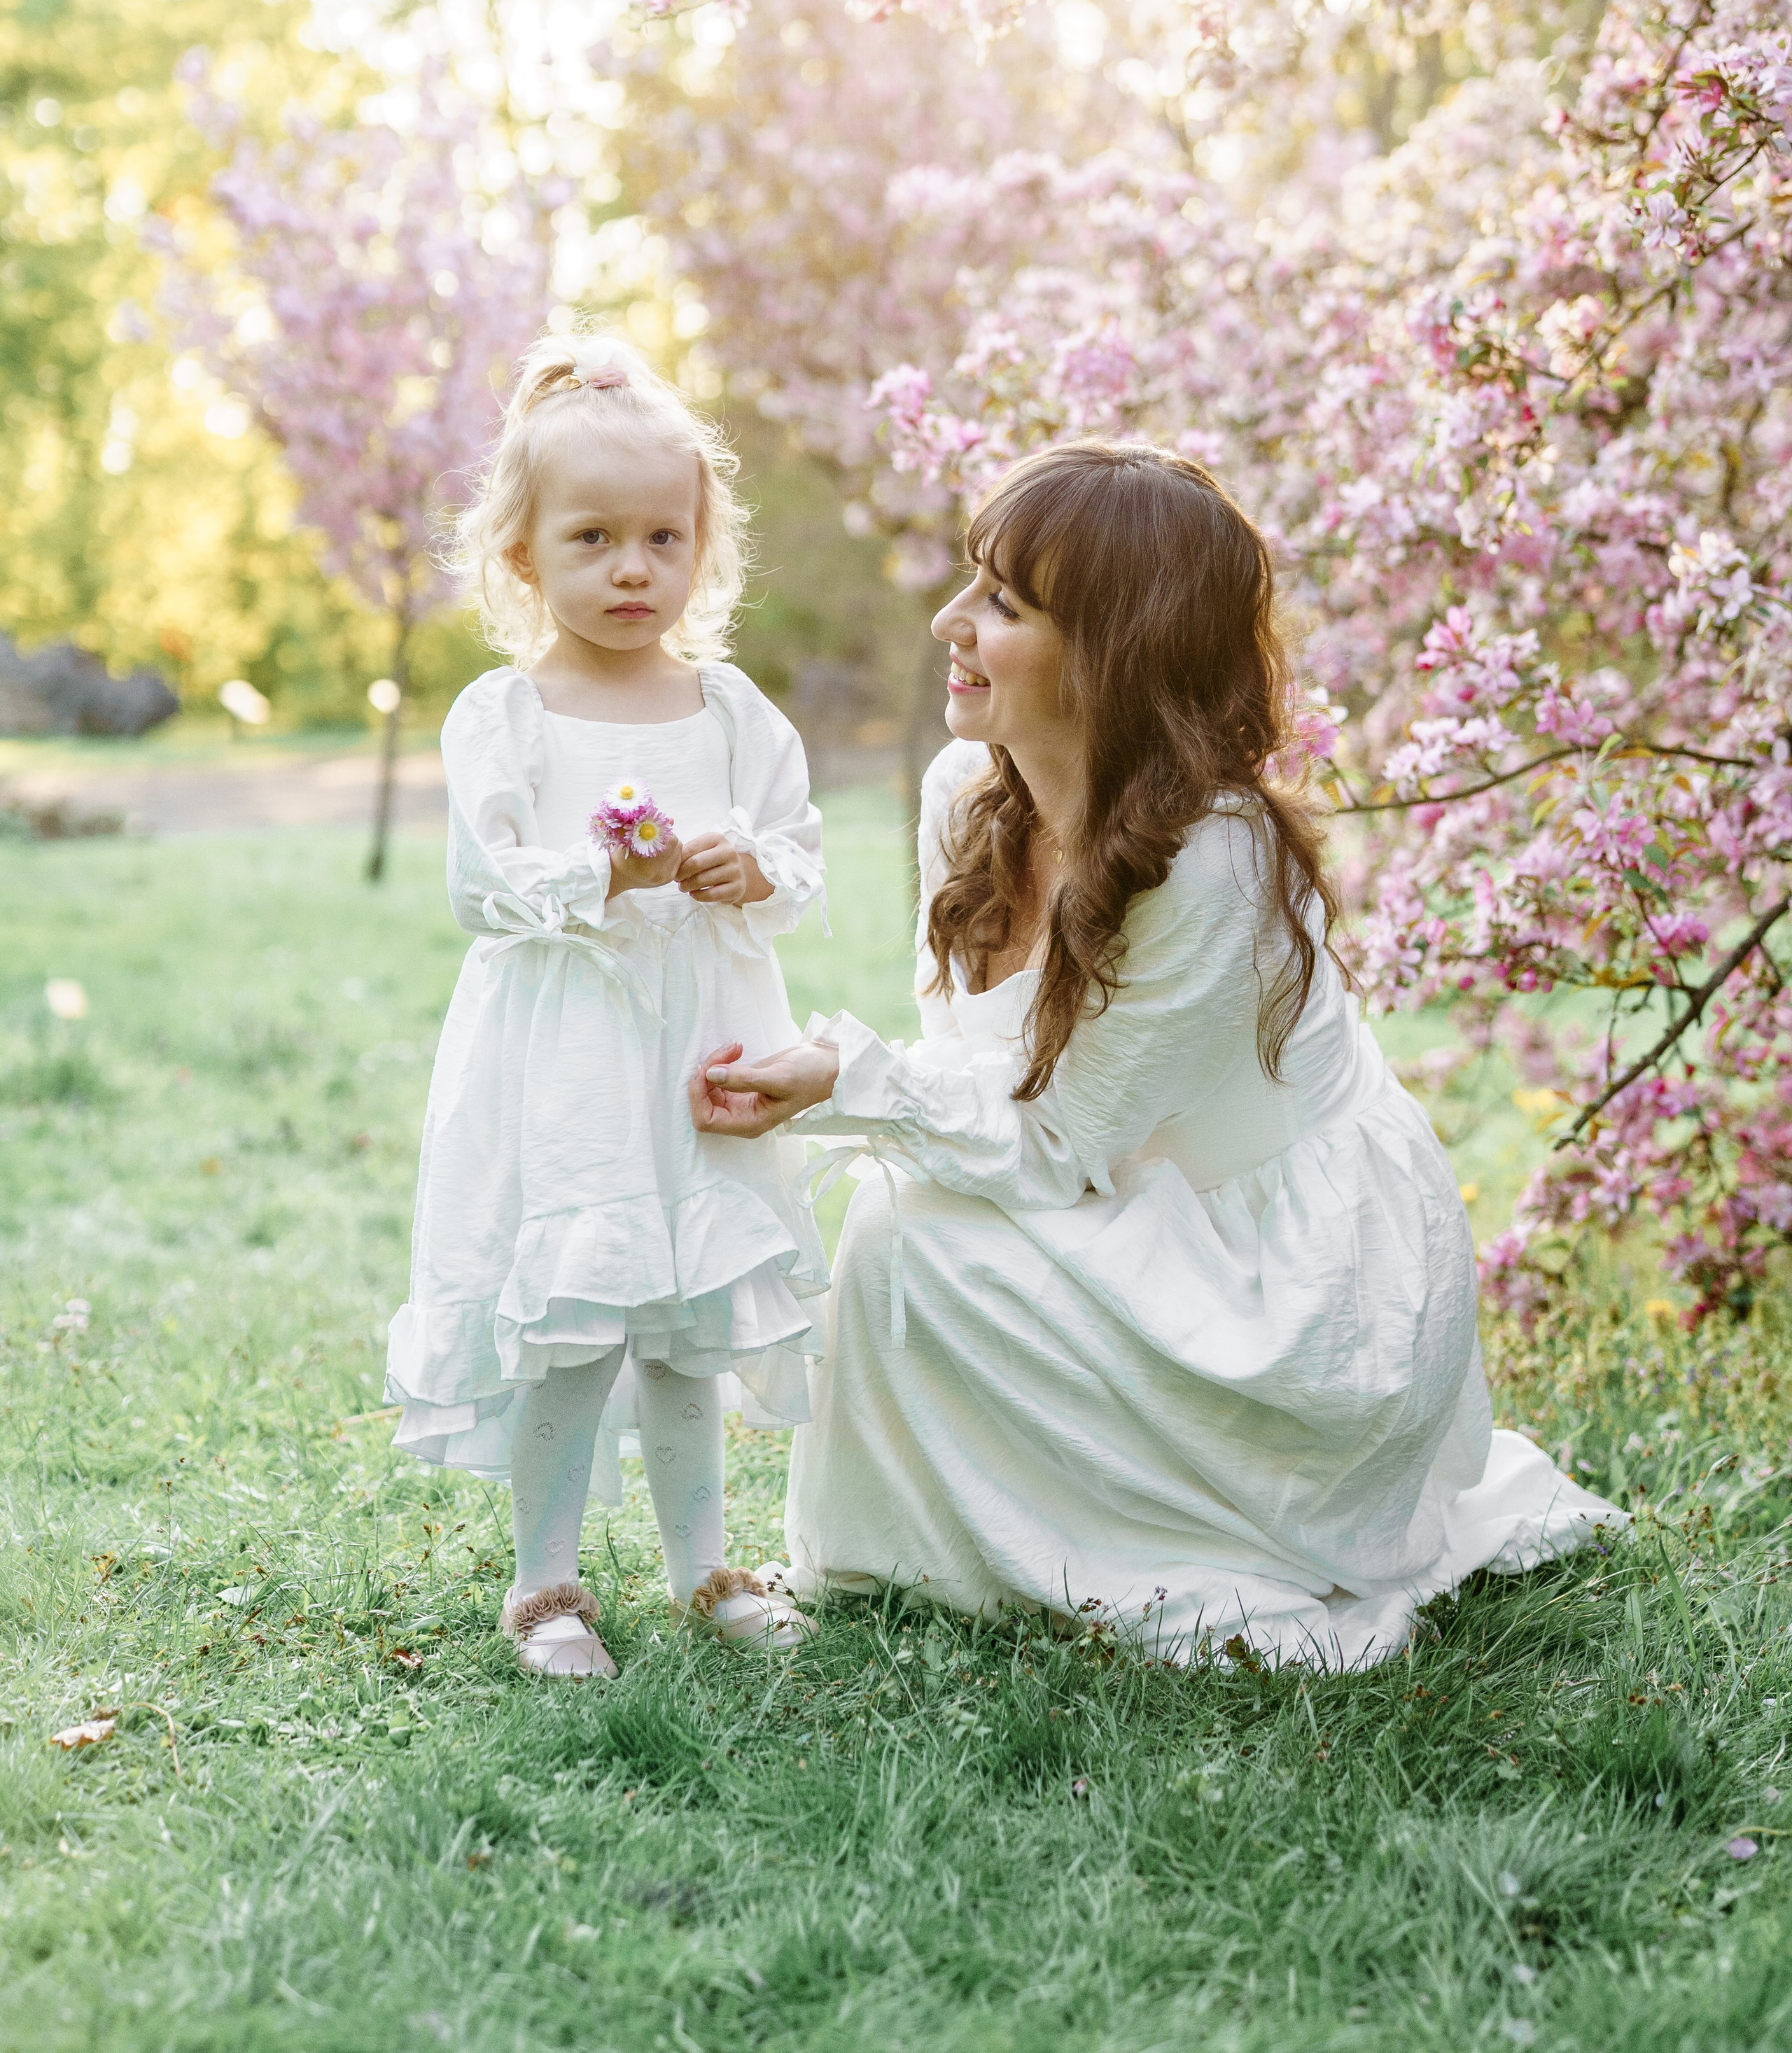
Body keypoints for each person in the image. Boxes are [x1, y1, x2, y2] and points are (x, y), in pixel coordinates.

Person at [692, 441, 1624, 1670]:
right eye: (973, 583)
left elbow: (1060, 1137)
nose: (948, 622)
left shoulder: (1215, 861)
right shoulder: (968, 788)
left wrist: (848, 1088)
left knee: (902, 1224)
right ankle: (896, 1560)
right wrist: (838, 1090)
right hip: (1107, 1183)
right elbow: (973, 1070)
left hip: (1276, 1276)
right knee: (897, 1225)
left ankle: (1166, 1528)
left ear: (1114, 656)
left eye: (1004, 606)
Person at [386, 333, 824, 1675]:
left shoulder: (732, 711)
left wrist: (752, 866)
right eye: (593, 539)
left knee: (687, 1323)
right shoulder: (505, 715)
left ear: (704, 547)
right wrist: (600, 871)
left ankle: (707, 1566)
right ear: (523, 556)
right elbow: (483, 888)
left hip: (698, 1041)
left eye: (662, 538)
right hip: (569, 1052)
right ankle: (547, 1583)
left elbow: (798, 857)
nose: (633, 569)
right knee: (574, 1318)